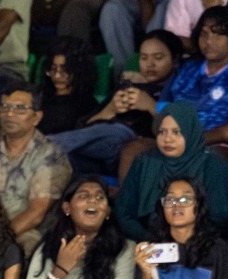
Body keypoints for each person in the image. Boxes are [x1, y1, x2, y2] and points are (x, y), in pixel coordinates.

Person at [53, 30, 183, 176]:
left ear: (175, 59)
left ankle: (35, 146)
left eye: (158, 58)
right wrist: (110, 110)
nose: (150, 64)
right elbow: (83, 130)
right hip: (100, 153)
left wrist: (151, 105)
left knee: (117, 133)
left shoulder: (180, 88)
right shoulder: (129, 85)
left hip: (132, 147)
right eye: (144, 58)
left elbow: (179, 129)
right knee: (60, 161)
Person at [0, 82, 74, 254]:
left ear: (36, 117)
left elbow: (36, 214)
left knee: (24, 248)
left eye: (20, 108)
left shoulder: (51, 154)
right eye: (5, 107)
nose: (10, 114)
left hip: (27, 232)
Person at [155, 8, 228, 164]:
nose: (209, 41)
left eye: (218, 34)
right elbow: (161, 115)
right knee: (134, 150)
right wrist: (168, 138)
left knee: (200, 159)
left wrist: (195, 139)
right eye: (204, 34)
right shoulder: (185, 69)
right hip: (173, 140)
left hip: (223, 144)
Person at [116, 105, 228, 243]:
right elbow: (124, 211)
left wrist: (184, 242)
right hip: (150, 242)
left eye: (177, 132)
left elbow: (220, 217)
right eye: (162, 132)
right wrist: (150, 240)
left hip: (202, 243)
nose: (167, 139)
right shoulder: (144, 161)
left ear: (191, 132)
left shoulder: (214, 165)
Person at [39, 39, 102, 136]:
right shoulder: (40, 98)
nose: (57, 76)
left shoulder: (87, 105)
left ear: (79, 71)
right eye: (53, 69)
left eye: (65, 70)